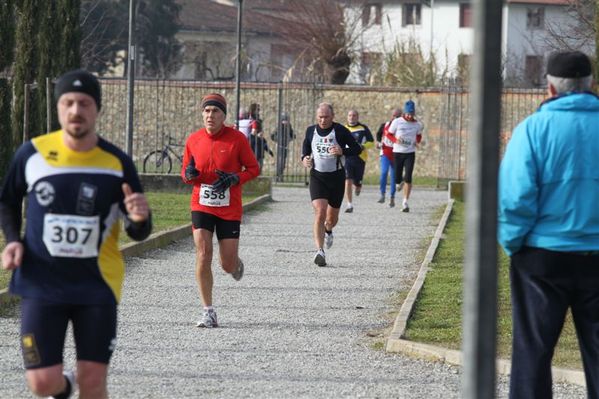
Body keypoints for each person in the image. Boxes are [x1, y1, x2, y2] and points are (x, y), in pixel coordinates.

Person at [0, 69, 152, 399]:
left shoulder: (117, 163)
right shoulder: (32, 154)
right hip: (42, 282)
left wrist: (140, 218)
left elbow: (138, 229)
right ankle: (64, 386)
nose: (75, 111)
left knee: (94, 380)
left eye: (84, 103)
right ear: (58, 108)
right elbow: (8, 200)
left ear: (96, 109)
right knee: (42, 383)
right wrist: (13, 239)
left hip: (96, 284)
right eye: (68, 102)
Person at [498, 51, 599, 399]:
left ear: (550, 88)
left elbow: (515, 197)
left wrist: (514, 244)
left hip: (542, 257)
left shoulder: (532, 129)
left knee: (533, 354)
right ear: (591, 85)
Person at [181, 93, 259, 328]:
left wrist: (235, 178)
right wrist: (189, 175)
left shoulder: (237, 139)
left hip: (228, 208)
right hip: (201, 205)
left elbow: (253, 168)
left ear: (223, 115)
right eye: (206, 111)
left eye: (215, 111)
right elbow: (185, 172)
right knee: (203, 254)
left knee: (226, 264)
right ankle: (208, 311)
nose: (210, 115)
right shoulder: (193, 140)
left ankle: (235, 265)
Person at [301, 102, 362, 266]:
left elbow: (357, 149)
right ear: (316, 116)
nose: (323, 120)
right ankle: (320, 251)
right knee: (320, 212)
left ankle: (328, 230)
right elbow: (306, 149)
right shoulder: (310, 131)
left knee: (331, 218)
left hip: (336, 178)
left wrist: (343, 151)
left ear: (332, 116)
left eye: (326, 117)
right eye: (320, 117)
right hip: (317, 177)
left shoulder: (341, 131)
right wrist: (304, 159)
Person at [387, 100, 423, 212]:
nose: (409, 116)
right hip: (398, 152)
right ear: (404, 113)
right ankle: (399, 182)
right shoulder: (397, 122)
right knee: (397, 177)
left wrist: (417, 142)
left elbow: (418, 136)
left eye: (411, 114)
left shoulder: (418, 124)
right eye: (408, 114)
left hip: (410, 153)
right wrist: (395, 140)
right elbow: (389, 134)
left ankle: (405, 202)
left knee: (408, 177)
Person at [343, 109, 374, 213]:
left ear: (357, 117)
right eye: (350, 115)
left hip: (360, 158)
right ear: (347, 117)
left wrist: (363, 146)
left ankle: (358, 186)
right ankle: (349, 205)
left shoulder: (363, 128)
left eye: (354, 115)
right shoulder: (343, 129)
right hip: (347, 158)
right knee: (347, 181)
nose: (352, 117)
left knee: (357, 183)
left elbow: (371, 142)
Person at [376, 108, 401, 207]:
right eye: (394, 116)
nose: (395, 118)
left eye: (398, 116)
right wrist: (378, 143)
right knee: (384, 172)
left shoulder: (402, 127)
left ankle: (392, 197)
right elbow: (378, 135)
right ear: (391, 116)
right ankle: (382, 194)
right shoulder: (385, 125)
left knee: (393, 176)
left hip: (396, 153)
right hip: (385, 152)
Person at [271, 111, 295, 179]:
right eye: (284, 120)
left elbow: (292, 134)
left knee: (283, 163)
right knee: (280, 162)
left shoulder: (289, 126)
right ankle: (278, 176)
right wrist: (278, 140)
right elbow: (272, 136)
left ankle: (280, 175)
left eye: (287, 120)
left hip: (285, 146)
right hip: (279, 146)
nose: (286, 122)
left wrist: (290, 138)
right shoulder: (279, 127)